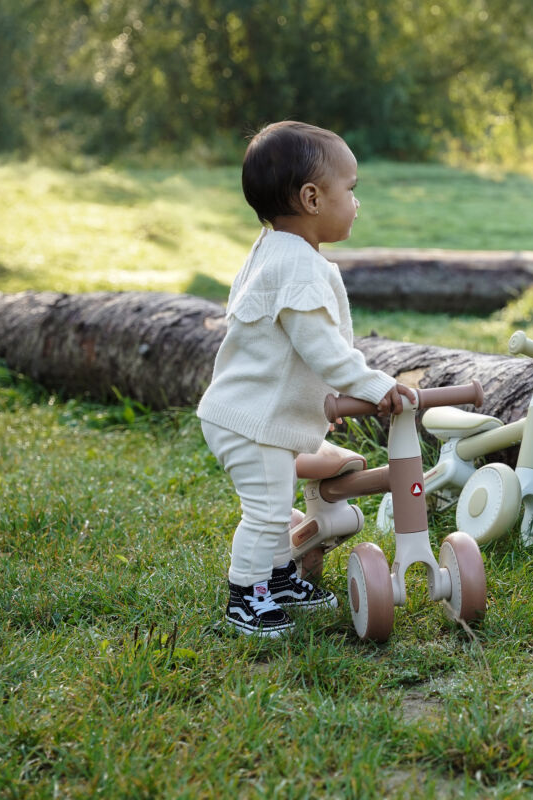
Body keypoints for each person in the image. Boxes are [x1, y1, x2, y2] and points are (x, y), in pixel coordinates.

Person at [198, 121, 416, 637]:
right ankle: (245, 597)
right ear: (313, 198)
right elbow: (322, 349)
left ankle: (278, 579)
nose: (357, 203)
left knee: (276, 505)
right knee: (268, 513)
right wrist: (374, 386)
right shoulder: (296, 264)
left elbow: (283, 353)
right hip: (249, 422)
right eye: (352, 189)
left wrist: (322, 406)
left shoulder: (277, 250)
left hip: (256, 416)